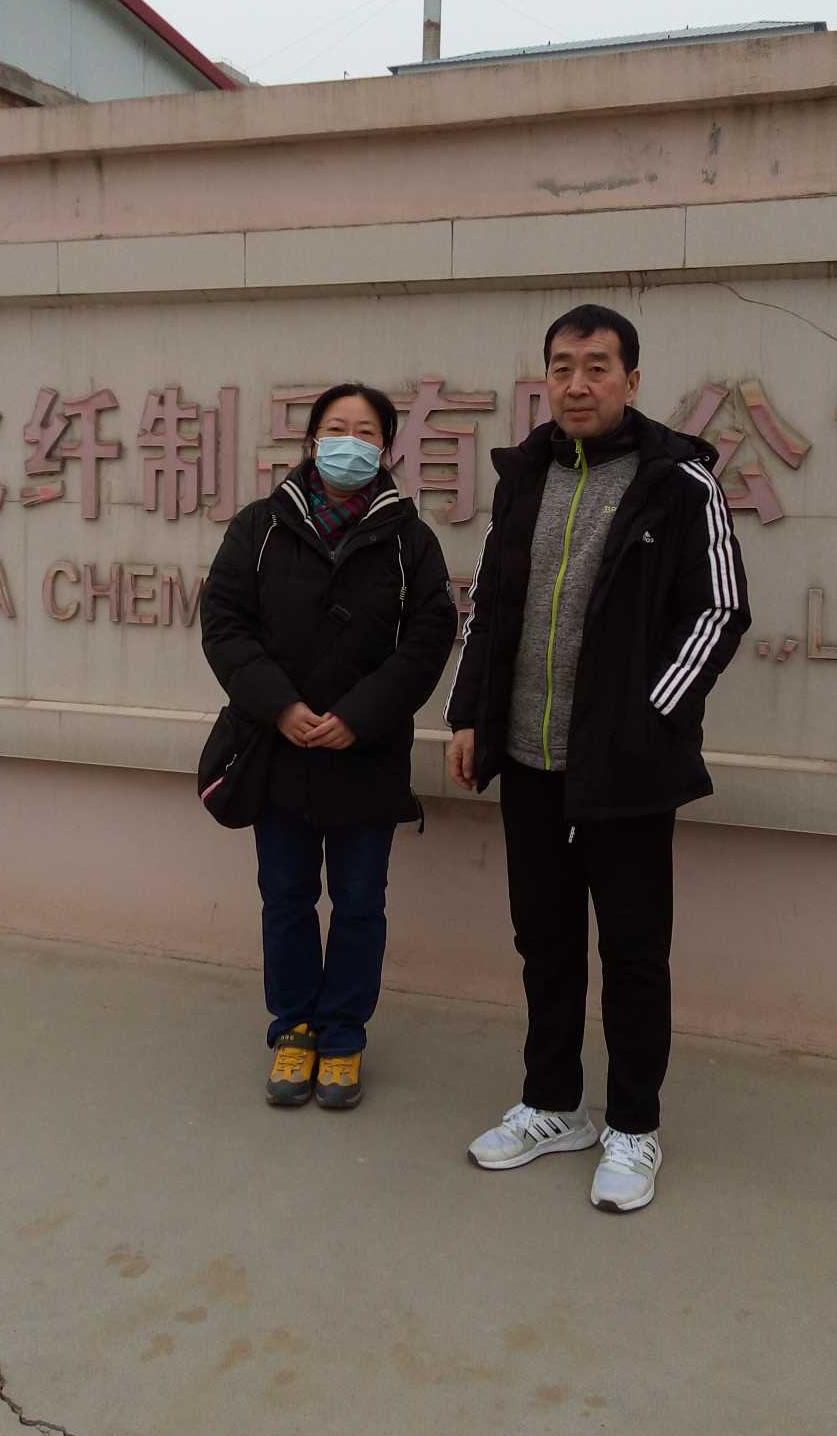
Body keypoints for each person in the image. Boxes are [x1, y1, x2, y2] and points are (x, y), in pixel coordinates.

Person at [446, 304, 750, 1211]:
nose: (577, 384)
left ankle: (633, 1125)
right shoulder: (524, 476)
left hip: (625, 770)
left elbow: (721, 608)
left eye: (597, 367)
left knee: (633, 951)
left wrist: (651, 715)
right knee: (543, 942)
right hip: (529, 761)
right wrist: (467, 714)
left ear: (632, 379)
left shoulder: (677, 481)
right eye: (562, 367)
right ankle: (553, 1104)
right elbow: (487, 606)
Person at [201, 383, 457, 1111]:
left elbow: (428, 638)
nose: (350, 442)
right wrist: (279, 705)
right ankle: (294, 1027)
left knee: (359, 902)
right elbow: (224, 622)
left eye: (366, 431)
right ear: (312, 441)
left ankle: (343, 1033)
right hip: (276, 749)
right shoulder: (260, 526)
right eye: (336, 428)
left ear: (386, 447)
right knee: (285, 898)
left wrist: (358, 716)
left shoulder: (410, 539)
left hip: (365, 756)